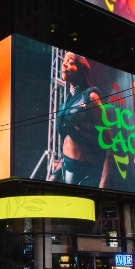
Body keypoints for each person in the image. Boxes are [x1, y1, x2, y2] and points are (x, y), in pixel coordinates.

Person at [48, 53, 106, 188]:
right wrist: (55, 175)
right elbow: (67, 142)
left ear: (81, 69)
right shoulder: (65, 104)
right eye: (64, 60)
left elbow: (109, 144)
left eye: (71, 61)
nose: (64, 63)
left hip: (87, 174)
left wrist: (103, 183)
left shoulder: (91, 97)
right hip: (66, 173)